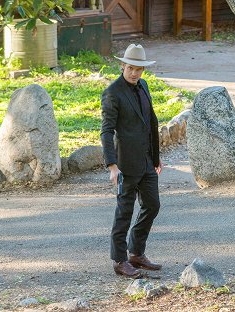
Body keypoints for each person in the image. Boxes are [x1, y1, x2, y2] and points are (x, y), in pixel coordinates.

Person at [101, 44, 163, 277]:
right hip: (125, 163)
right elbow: (106, 131)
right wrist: (112, 165)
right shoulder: (112, 93)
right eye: (130, 68)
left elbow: (151, 122)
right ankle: (119, 260)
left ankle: (135, 253)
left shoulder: (143, 85)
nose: (134, 73)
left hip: (146, 161)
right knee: (124, 212)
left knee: (152, 205)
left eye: (138, 69)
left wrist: (156, 157)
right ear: (122, 66)